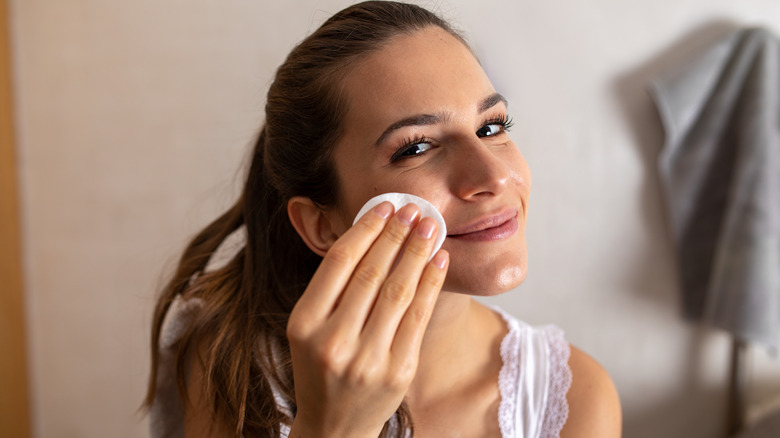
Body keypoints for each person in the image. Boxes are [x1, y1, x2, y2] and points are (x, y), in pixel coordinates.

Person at [144, 1, 622, 437]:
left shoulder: (576, 399)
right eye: (416, 147)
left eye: (491, 127)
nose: (494, 176)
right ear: (321, 225)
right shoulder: (232, 359)